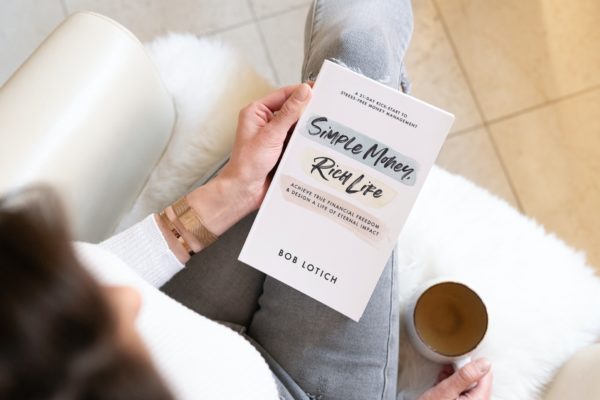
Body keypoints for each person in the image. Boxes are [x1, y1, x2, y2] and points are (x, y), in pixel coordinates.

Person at [0, 1, 493, 399]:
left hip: (187, 304)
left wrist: (223, 196)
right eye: (92, 330)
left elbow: (106, 275)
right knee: (365, 78)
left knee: (354, 56)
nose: (127, 294)